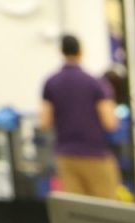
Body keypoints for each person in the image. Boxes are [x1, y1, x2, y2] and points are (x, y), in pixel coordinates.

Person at [39, 34, 120, 200]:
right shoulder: (95, 83)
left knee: (76, 208)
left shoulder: (51, 83)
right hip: (95, 155)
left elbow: (44, 122)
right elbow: (110, 123)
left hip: (66, 157)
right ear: (81, 52)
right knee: (105, 208)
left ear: (61, 52)